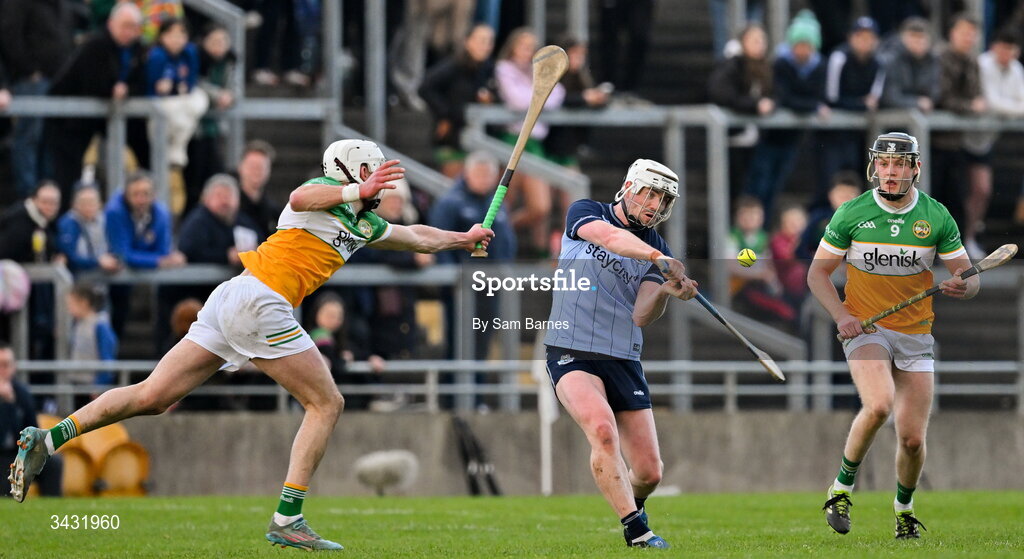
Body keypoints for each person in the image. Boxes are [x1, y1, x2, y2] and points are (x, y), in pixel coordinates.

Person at [9, 139, 493, 551]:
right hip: (260, 301)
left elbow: (414, 236)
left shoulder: (364, 225)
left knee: (152, 397)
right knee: (326, 403)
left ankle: (47, 440)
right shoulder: (322, 198)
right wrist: (355, 189)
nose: (381, 187)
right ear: (354, 172)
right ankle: (288, 519)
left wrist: (462, 237)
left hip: (235, 297)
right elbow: (301, 197)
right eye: (373, 175)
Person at [807, 132, 977, 540]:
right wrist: (842, 314)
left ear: (915, 168)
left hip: (916, 333)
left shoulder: (936, 216)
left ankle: (904, 510)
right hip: (867, 327)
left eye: (900, 164)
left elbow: (968, 279)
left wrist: (962, 286)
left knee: (913, 439)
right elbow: (817, 273)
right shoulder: (851, 213)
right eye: (884, 163)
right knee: (879, 404)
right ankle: (841, 490)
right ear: (874, 167)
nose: (891, 171)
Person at [543, 159, 697, 549]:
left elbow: (641, 315)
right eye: (649, 192)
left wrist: (666, 290)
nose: (654, 204)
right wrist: (654, 259)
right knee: (601, 430)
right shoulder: (586, 211)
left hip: (622, 357)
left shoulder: (658, 246)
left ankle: (634, 504)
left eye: (663, 198)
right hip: (571, 348)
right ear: (629, 187)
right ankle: (636, 531)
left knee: (649, 473)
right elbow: (609, 239)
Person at [46, 3, 148, 203]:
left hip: (104, 117)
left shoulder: (139, 50)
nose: (129, 32)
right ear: (111, 24)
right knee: (66, 174)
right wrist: (112, 89)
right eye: (125, 25)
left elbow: (141, 83)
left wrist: (126, 90)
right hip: (69, 121)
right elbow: (92, 84)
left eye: (134, 27)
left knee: (142, 144)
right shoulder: (95, 45)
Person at [494, 27, 566, 257]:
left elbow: (557, 94)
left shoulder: (538, 71)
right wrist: (538, 96)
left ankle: (502, 233)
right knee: (506, 200)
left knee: (540, 207)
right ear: (513, 47)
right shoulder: (504, 68)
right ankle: (497, 245)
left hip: (533, 144)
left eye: (531, 47)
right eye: (523, 46)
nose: (527, 52)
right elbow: (517, 101)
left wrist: (538, 96)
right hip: (511, 141)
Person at [0, 0, 75, 198]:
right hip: (32, 81)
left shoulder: (61, 5)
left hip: (58, 81)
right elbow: (9, 35)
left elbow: (65, 37)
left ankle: (48, 194)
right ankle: (29, 195)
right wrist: (29, 70)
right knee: (29, 137)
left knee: (50, 140)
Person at [934, 14, 987, 259]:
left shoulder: (972, 62)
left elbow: (976, 95)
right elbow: (941, 97)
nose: (968, 38)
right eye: (964, 31)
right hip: (932, 142)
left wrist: (970, 105)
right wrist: (968, 107)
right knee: (931, 199)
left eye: (972, 33)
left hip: (957, 143)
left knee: (957, 202)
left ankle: (956, 251)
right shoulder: (940, 58)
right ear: (952, 32)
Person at [145, 18, 209, 217]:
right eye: (172, 35)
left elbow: (188, 85)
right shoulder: (156, 56)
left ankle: (178, 148)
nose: (177, 40)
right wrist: (172, 88)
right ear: (162, 36)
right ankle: (174, 150)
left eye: (181, 35)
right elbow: (152, 88)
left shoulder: (189, 53)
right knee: (174, 112)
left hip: (181, 104)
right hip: (160, 110)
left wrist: (176, 88)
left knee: (199, 101)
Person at [418, 22, 496, 178]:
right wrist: (444, 115)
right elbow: (425, 87)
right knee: (451, 185)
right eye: (481, 40)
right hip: (453, 137)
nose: (485, 46)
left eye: (489, 41)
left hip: (479, 137)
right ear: (467, 41)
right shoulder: (453, 66)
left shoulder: (488, 70)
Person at [0, 342, 62, 497]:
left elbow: (32, 430)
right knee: (5, 469)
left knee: (53, 464)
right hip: (1, 455)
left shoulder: (21, 393)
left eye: (6, 365)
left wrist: (11, 404)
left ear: (13, 367)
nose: (3, 370)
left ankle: (52, 509)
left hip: (19, 453)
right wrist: (5, 405)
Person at [57, 184, 122, 275]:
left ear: (100, 204)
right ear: (74, 204)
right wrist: (97, 262)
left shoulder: (106, 220)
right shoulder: (68, 223)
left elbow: (117, 248)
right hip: (77, 278)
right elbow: (70, 257)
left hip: (105, 277)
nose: (88, 207)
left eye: (91, 202)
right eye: (83, 202)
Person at [235, 140, 280, 243]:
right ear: (240, 167)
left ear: (269, 170)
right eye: (252, 166)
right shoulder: (227, 206)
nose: (256, 171)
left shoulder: (274, 212)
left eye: (261, 167)